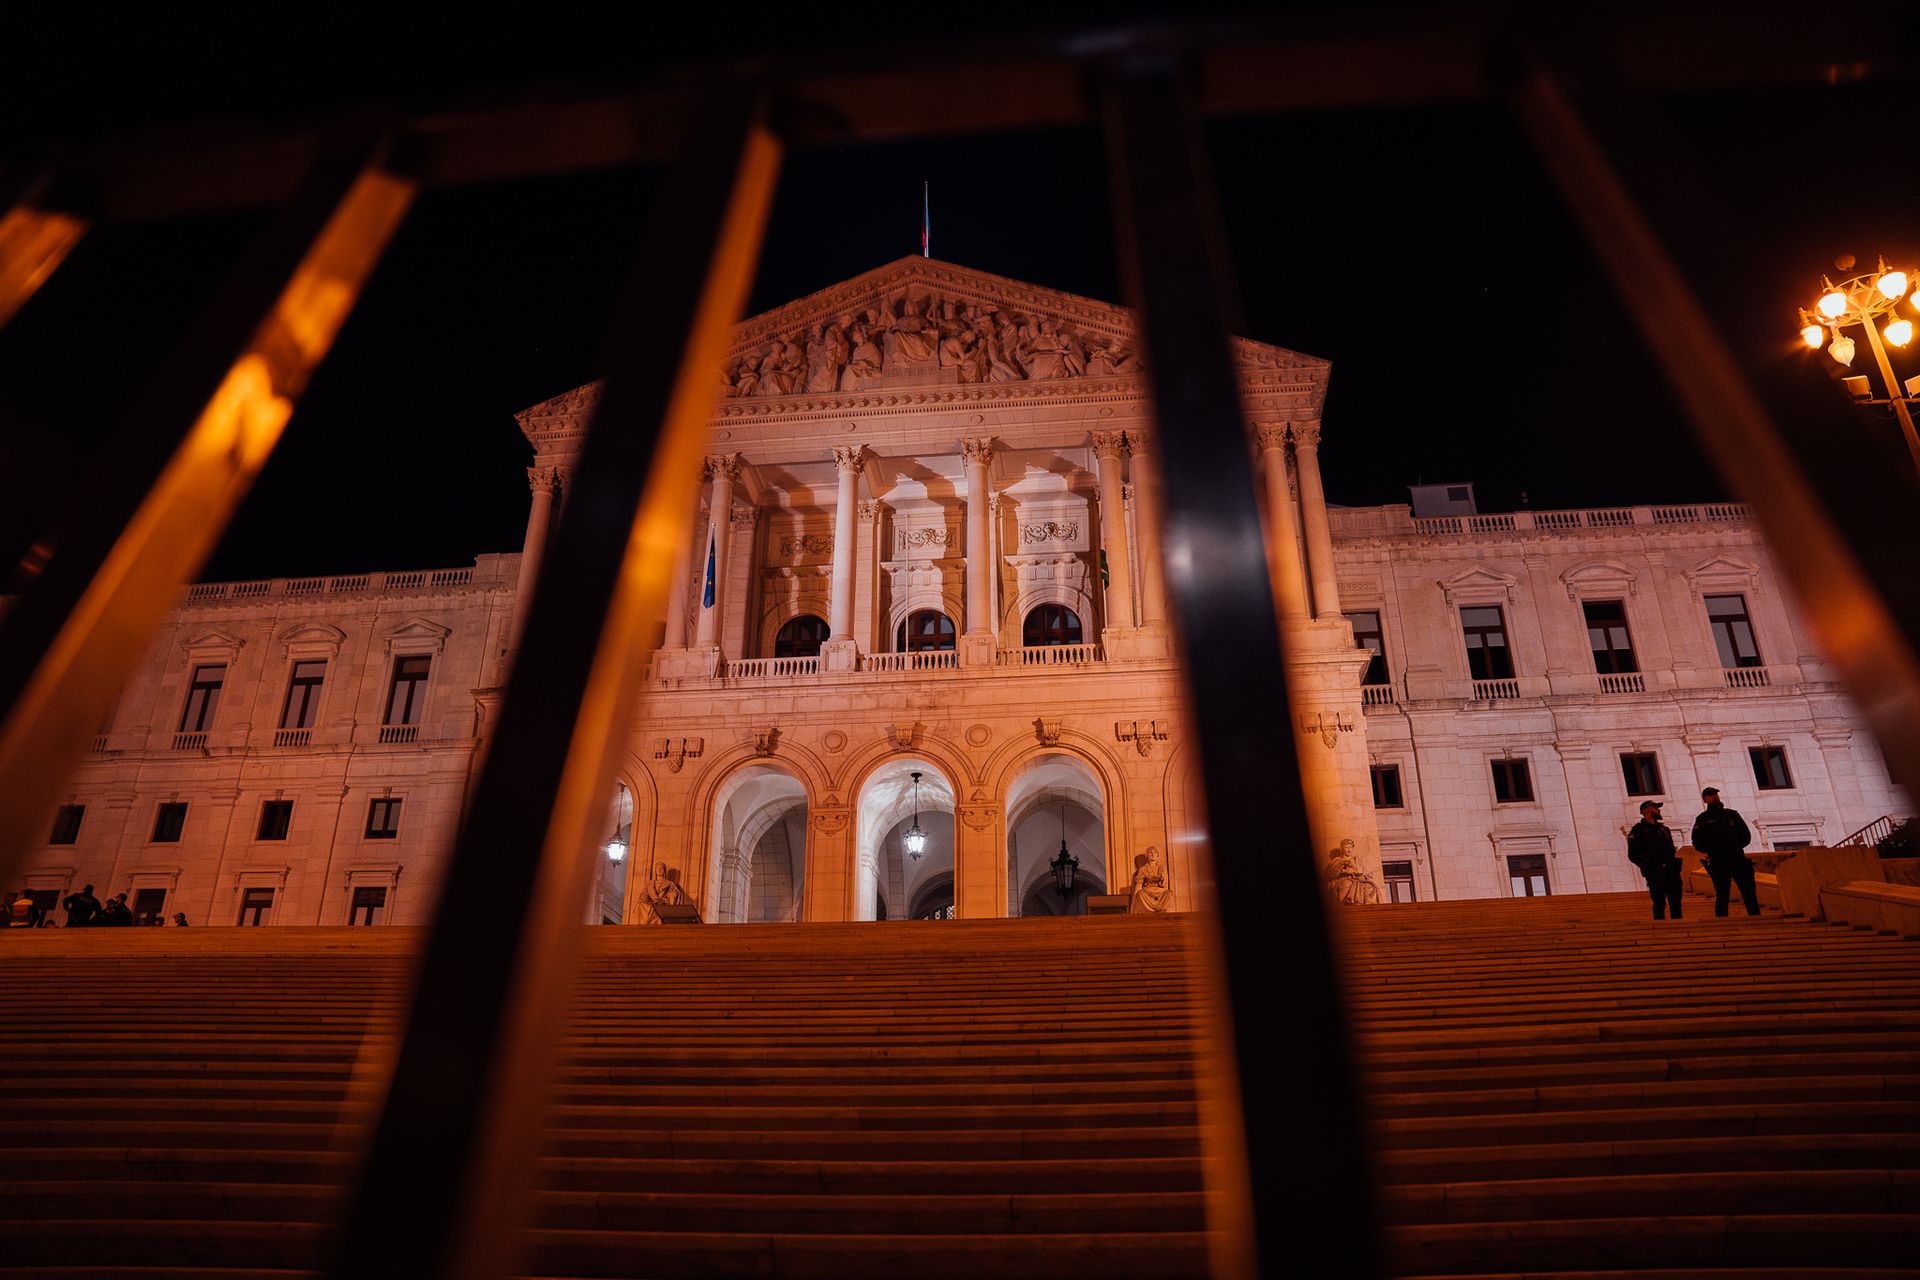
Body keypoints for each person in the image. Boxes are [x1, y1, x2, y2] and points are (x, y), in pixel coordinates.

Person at [1691, 786, 1759, 917]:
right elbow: (1697, 842)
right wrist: (1715, 849)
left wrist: (1733, 846)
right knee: (1722, 894)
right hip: (1719, 861)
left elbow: (1746, 836)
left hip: (1738, 858)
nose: (1715, 796)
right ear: (1705, 800)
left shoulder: (1732, 815)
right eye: (1710, 795)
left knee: (1749, 892)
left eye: (1716, 794)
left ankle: (1756, 918)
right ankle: (1722, 921)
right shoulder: (1703, 819)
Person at [1627, 800, 1683, 920]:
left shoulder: (1664, 829)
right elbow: (1633, 855)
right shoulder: (1638, 830)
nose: (1658, 810)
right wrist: (1647, 866)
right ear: (1646, 811)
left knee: (1676, 903)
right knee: (1659, 904)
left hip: (1671, 871)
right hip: (1655, 872)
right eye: (1655, 808)